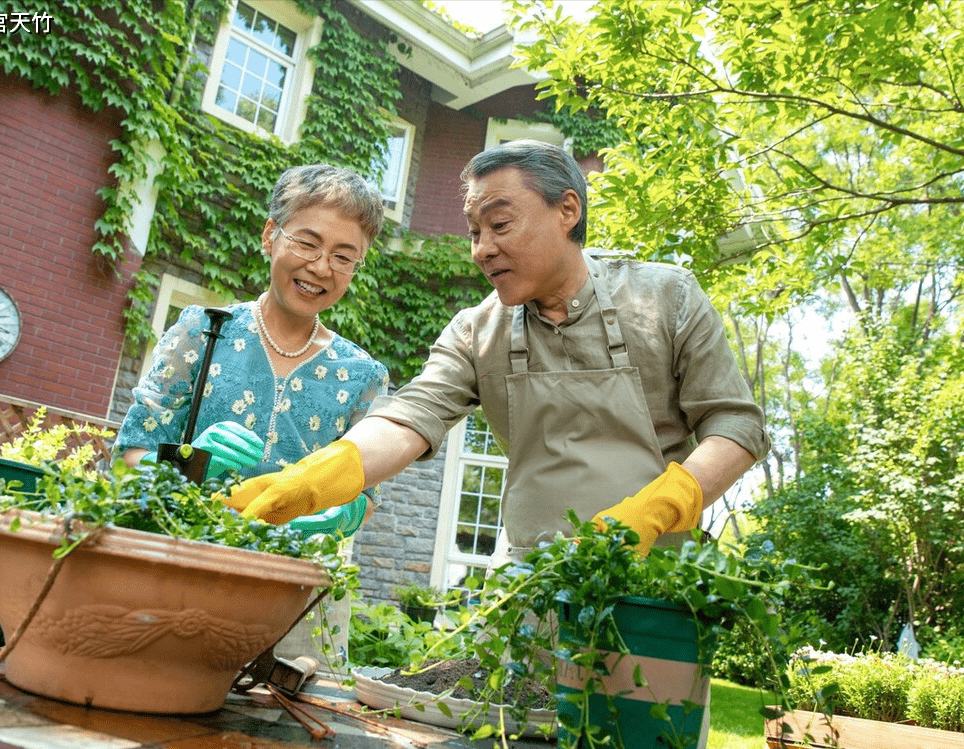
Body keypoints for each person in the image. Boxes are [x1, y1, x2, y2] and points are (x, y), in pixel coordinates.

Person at [219, 140, 770, 561]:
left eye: (500, 224)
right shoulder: (475, 331)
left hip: (658, 578)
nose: (482, 249)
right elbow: (412, 416)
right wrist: (316, 476)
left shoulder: (665, 297)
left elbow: (736, 426)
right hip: (531, 576)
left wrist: (664, 505)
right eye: (474, 230)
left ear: (568, 210)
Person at [116, 163, 390, 540]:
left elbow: (365, 489)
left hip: (285, 576)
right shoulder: (203, 331)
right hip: (177, 557)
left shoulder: (363, 375)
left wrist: (342, 515)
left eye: (343, 257)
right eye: (307, 243)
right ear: (269, 236)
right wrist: (183, 465)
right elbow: (130, 453)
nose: (321, 267)